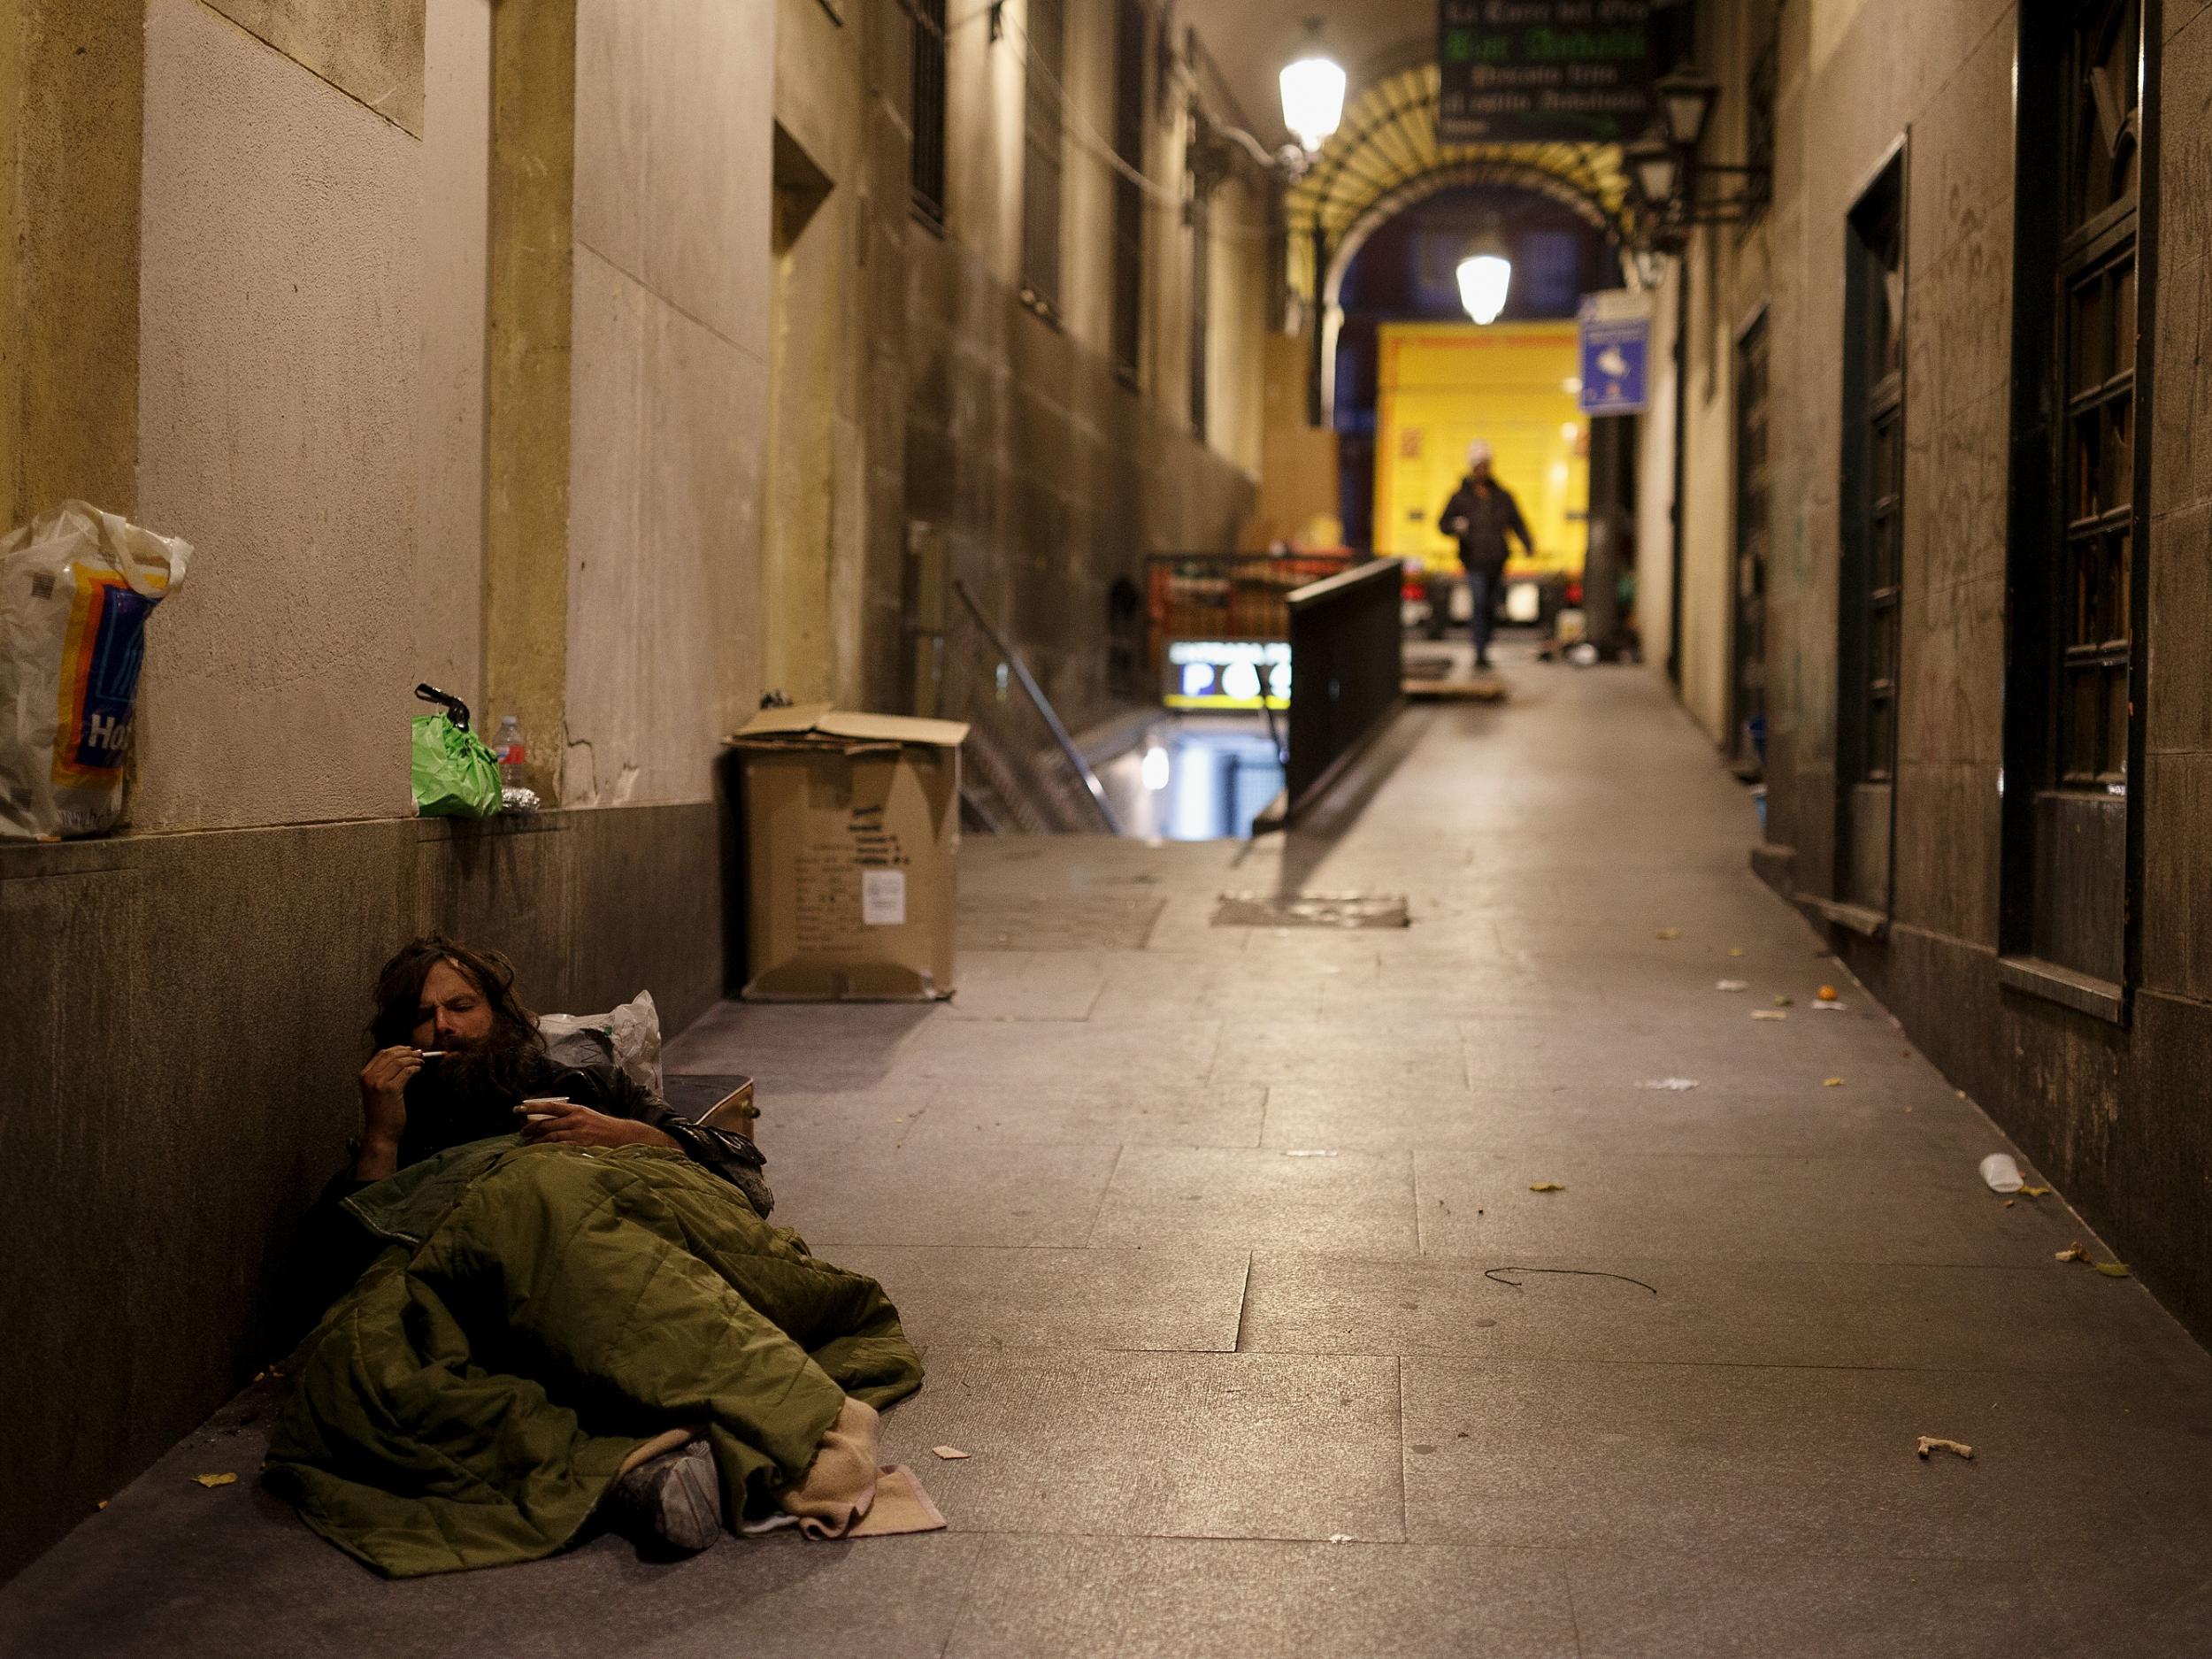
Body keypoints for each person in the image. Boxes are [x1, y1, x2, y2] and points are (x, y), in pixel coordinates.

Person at [288, 934, 778, 1555]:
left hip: (602, 1271)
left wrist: (623, 1135)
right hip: (492, 1303)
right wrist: (380, 1140)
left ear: (500, 1013)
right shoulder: (404, 1122)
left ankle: (660, 1452)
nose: (444, 1025)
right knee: (380, 1375)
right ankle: (643, 1468)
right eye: (421, 1016)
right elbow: (331, 1282)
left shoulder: (576, 1080)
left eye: (461, 1005)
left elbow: (743, 1183)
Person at [1437, 439, 1533, 670]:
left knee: (1491, 605)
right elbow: (1443, 524)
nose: (1483, 470)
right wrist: (1455, 527)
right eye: (1479, 465)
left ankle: (1486, 642)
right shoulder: (1460, 497)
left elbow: (1517, 522)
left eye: (1486, 465)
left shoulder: (1501, 495)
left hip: (1497, 560)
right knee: (1479, 602)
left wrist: (1528, 543)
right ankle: (1479, 648)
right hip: (1474, 560)